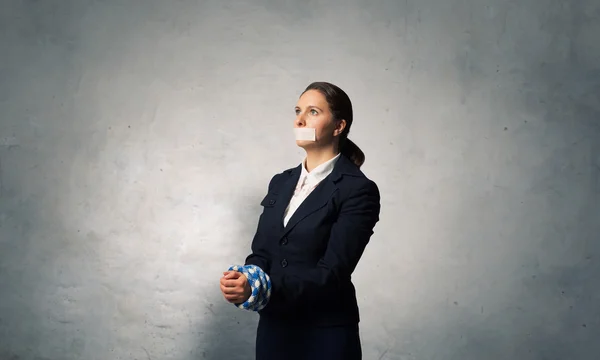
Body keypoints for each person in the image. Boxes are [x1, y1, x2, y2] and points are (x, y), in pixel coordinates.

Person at [219, 81, 381, 360]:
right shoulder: (280, 183)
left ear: (339, 126)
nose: (300, 119)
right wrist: (247, 278)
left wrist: (265, 289)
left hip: (324, 335)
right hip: (274, 332)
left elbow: (332, 273)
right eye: (298, 110)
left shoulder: (358, 189)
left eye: (313, 111)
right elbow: (262, 253)